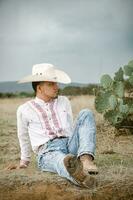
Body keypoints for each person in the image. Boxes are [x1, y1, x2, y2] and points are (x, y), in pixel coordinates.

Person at [8, 63, 98, 188]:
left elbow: (70, 127)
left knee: (86, 113)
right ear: (39, 88)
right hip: (47, 151)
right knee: (59, 161)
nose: (57, 87)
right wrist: (24, 162)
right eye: (51, 84)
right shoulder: (24, 109)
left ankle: (86, 160)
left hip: (69, 143)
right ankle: (80, 177)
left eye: (56, 83)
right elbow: (22, 136)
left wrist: (76, 143)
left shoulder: (63, 101)